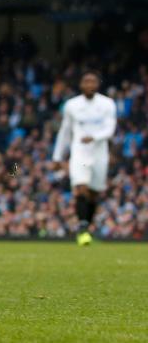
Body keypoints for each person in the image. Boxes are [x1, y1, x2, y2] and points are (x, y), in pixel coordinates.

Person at [52, 70, 117, 246]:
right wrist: (57, 156)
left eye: (93, 82)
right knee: (81, 188)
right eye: (86, 82)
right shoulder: (72, 105)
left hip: (99, 152)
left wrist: (94, 137)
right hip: (79, 152)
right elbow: (65, 131)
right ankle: (82, 229)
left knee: (94, 194)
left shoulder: (107, 104)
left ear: (97, 85)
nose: (89, 85)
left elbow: (110, 129)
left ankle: (86, 226)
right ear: (81, 85)